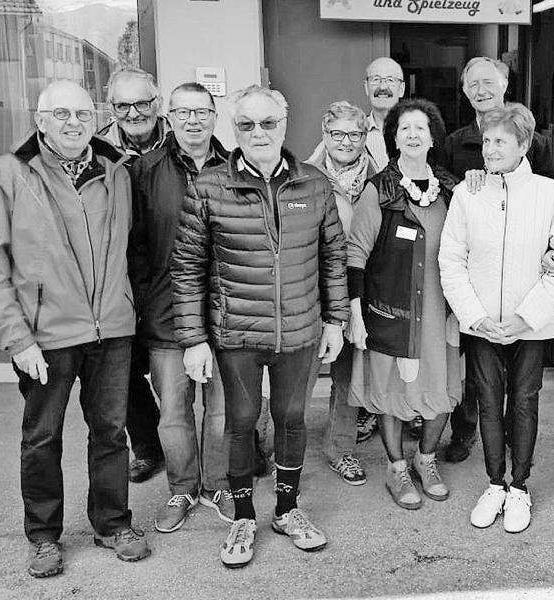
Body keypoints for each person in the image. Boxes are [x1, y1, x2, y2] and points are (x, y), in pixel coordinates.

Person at [0, 80, 150, 578]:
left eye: (83, 114)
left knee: (111, 432)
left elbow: (130, 249)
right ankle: (44, 536)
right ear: (40, 120)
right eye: (62, 115)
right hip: (45, 336)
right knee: (42, 436)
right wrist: (17, 339)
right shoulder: (7, 176)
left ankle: (113, 523)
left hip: (111, 328)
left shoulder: (116, 171)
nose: (74, 123)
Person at [171, 84, 348, 568]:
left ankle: (288, 510)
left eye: (268, 122)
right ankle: (245, 515)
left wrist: (336, 318)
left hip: (300, 332)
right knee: (242, 423)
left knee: (292, 420)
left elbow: (333, 257)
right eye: (246, 124)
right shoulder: (208, 186)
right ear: (235, 130)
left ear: (285, 124)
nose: (258, 132)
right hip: (236, 334)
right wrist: (194, 339)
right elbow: (187, 268)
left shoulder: (313, 184)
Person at [440, 103, 554, 533]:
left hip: (528, 325)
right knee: (487, 402)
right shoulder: (469, 193)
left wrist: (526, 316)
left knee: (524, 402)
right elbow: (451, 260)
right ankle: (494, 482)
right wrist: (475, 316)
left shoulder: (549, 193)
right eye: (486, 141)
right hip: (482, 325)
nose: (490, 148)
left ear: (523, 144)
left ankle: (520, 487)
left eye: (500, 140)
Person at [128, 82, 235, 533]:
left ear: (215, 116)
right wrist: (145, 297)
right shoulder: (145, 171)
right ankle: (183, 486)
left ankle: (219, 483)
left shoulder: (235, 168)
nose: (193, 120)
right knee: (173, 409)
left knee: (223, 408)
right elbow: (134, 246)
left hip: (226, 309)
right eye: (184, 112)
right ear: (168, 116)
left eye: (202, 112)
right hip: (166, 311)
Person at [346, 98, 462, 510]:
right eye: (404, 128)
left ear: (433, 137)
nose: (413, 134)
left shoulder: (453, 188)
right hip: (392, 309)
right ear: (393, 137)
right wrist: (355, 313)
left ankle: (426, 458)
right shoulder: (378, 190)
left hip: (442, 312)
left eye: (421, 128)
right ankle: (397, 467)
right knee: (392, 391)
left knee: (443, 388)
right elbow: (355, 254)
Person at [442, 56, 554, 464]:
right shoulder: (455, 142)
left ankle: (514, 444)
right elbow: (443, 188)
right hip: (481, 278)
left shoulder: (535, 142)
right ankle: (467, 431)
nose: (481, 89)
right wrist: (466, 181)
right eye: (472, 83)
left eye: (488, 81)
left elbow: (541, 200)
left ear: (505, 83)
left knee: (522, 391)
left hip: (525, 281)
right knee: (478, 381)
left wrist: (552, 255)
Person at [99, 66, 169, 484]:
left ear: (156, 104)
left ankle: (233, 443)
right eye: (122, 105)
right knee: (122, 368)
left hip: (172, 270)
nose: (133, 112)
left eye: (141, 103)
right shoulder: (99, 150)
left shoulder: (182, 139)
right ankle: (147, 446)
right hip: (118, 274)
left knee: (203, 364)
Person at [305, 101, 380, 486]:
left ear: (365, 137)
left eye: (354, 134)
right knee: (297, 376)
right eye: (338, 134)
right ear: (325, 134)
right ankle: (280, 450)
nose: (346, 142)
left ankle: (340, 449)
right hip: (310, 289)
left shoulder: (380, 180)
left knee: (346, 375)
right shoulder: (305, 177)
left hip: (355, 289)